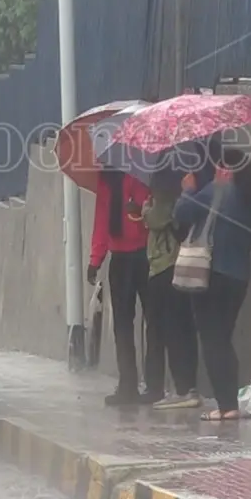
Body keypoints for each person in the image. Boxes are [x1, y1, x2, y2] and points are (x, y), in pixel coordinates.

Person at [173, 147, 251, 422]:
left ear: (226, 169)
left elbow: (181, 212)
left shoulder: (218, 191)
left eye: (218, 167)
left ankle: (226, 405)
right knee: (223, 339)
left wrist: (188, 189)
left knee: (212, 340)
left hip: (210, 275)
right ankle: (230, 404)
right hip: (238, 277)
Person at [88, 169, 152, 406]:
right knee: (123, 325)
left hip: (145, 253)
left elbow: (150, 210)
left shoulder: (142, 173)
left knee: (154, 320)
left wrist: (138, 210)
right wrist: (95, 260)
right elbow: (101, 221)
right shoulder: (105, 181)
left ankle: (154, 385)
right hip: (120, 258)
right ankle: (128, 384)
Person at [139, 170, 201, 409]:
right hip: (177, 268)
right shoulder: (179, 195)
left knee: (167, 329)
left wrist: (145, 210)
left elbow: (156, 219)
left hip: (165, 268)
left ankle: (179, 388)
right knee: (183, 327)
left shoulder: (166, 199)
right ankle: (187, 385)